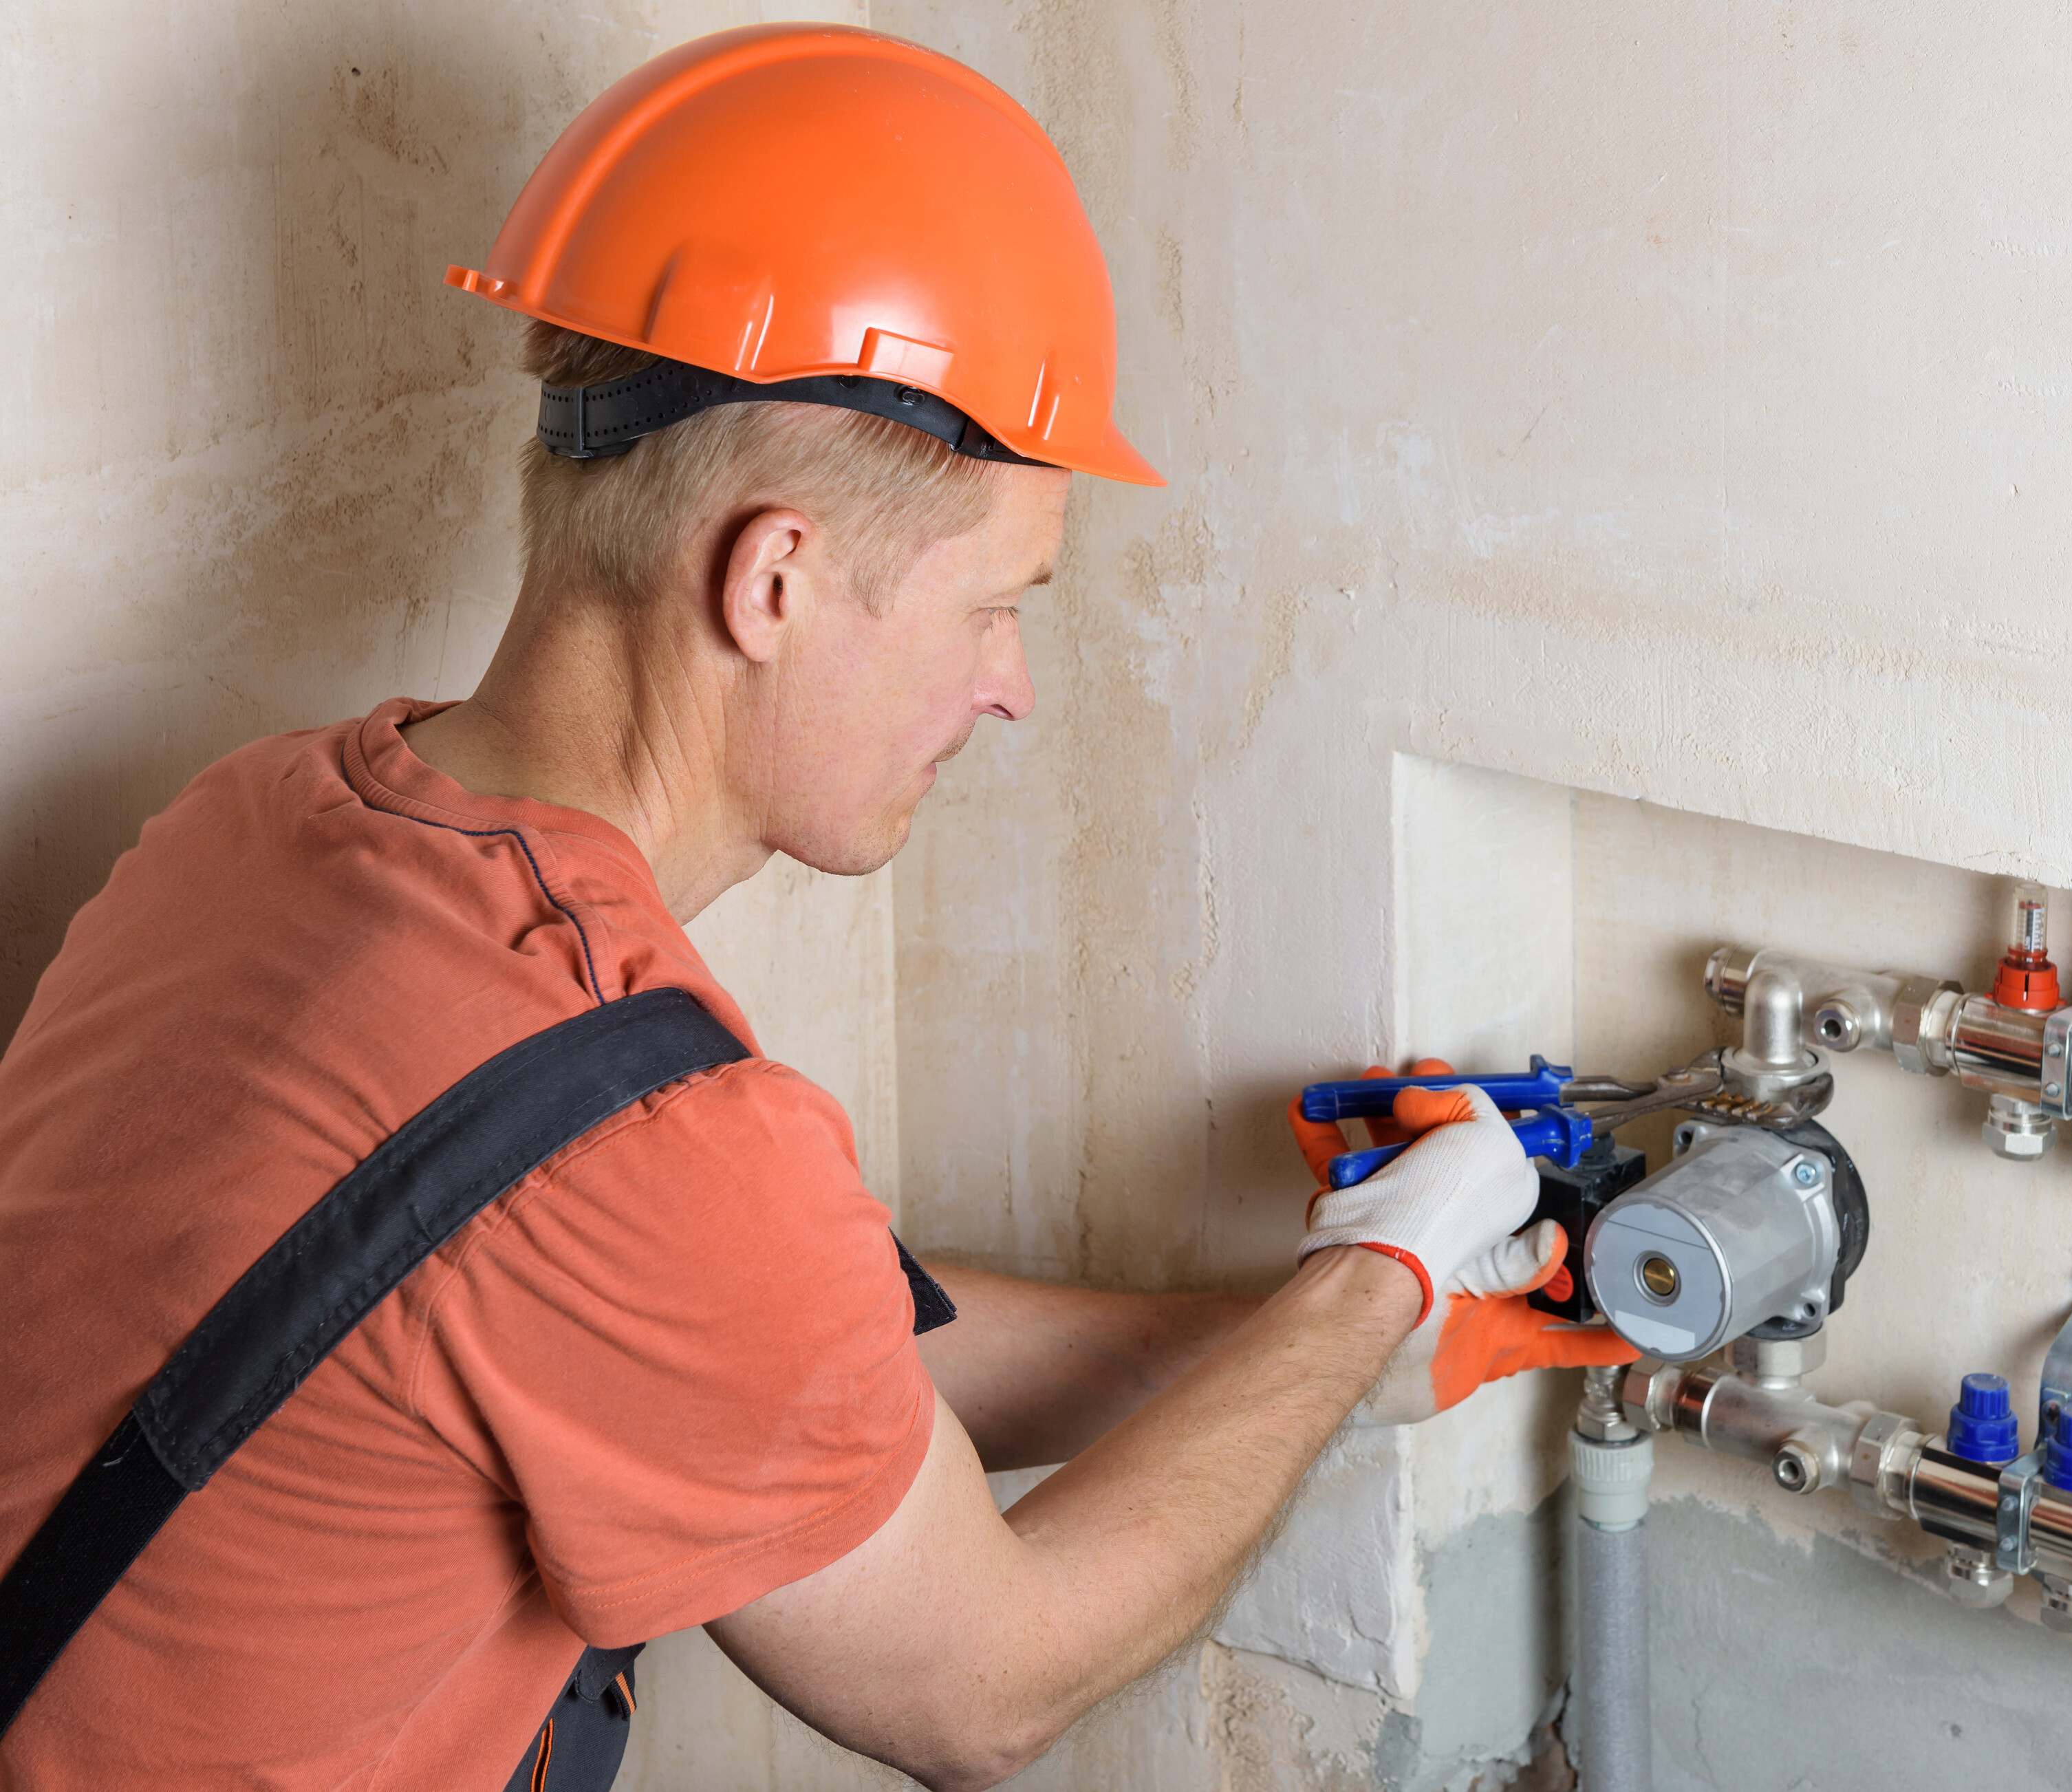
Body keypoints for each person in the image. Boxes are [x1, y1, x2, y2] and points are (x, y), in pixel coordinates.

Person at [0, 25, 1628, 1791]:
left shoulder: (267, 819)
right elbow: (985, 1688)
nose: (1011, 688)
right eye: (996, 604)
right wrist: (1371, 1286)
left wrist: (1315, 1342)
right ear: (773, 576)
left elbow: (810, 1356)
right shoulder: (648, 1144)